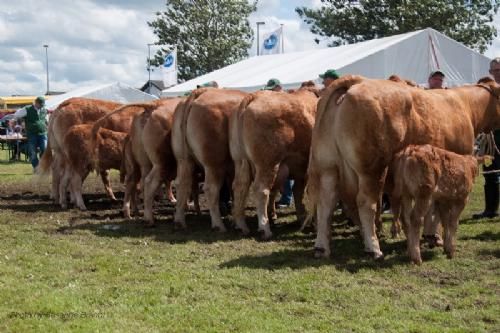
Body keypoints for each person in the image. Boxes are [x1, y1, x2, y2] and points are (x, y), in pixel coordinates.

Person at [473, 58, 500, 219]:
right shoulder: (486, 93)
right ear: (490, 73)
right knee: (490, 173)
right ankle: (490, 210)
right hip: (491, 136)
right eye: (495, 71)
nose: (498, 74)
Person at [13, 96, 48, 170]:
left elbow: (45, 120)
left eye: (42, 105)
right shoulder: (27, 109)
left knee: (44, 149)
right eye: (40, 104)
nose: (41, 106)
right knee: (32, 152)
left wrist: (47, 125)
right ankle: (36, 167)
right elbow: (16, 115)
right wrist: (15, 121)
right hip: (32, 134)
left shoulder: (44, 110)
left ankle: (41, 165)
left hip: (43, 133)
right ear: (36, 103)